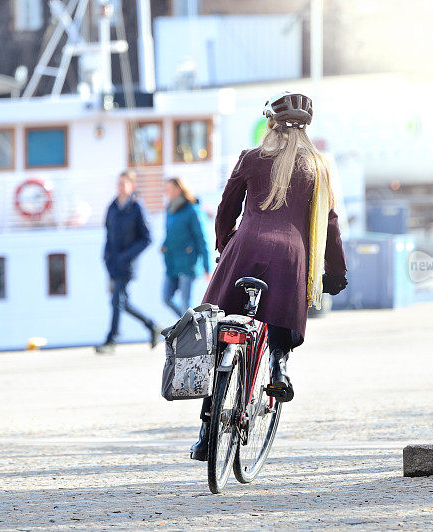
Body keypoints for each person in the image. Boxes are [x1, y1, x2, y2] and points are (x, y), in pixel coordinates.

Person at [189, 91, 348, 460]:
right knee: (276, 320)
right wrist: (335, 272)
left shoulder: (251, 157)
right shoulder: (319, 166)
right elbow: (329, 222)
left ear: (270, 124)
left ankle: (205, 435)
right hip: (291, 256)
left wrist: (224, 244)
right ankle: (279, 366)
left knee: (221, 332)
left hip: (245, 248)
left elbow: (226, 209)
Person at [95, 170, 159, 353]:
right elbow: (108, 234)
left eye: (124, 183)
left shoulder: (137, 207)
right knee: (122, 302)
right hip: (112, 263)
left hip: (127, 263)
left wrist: (127, 256)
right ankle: (151, 325)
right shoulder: (112, 207)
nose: (121, 187)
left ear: (132, 186)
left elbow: (147, 238)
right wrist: (106, 256)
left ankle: (111, 340)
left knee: (117, 301)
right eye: (119, 183)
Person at [161, 177, 211, 317]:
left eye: (168, 189)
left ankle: (190, 331)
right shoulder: (169, 209)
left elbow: (202, 238)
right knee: (166, 297)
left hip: (188, 263)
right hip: (172, 262)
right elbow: (170, 233)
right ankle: (186, 325)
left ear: (178, 189)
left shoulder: (192, 210)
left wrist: (207, 267)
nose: (166, 192)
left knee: (185, 303)